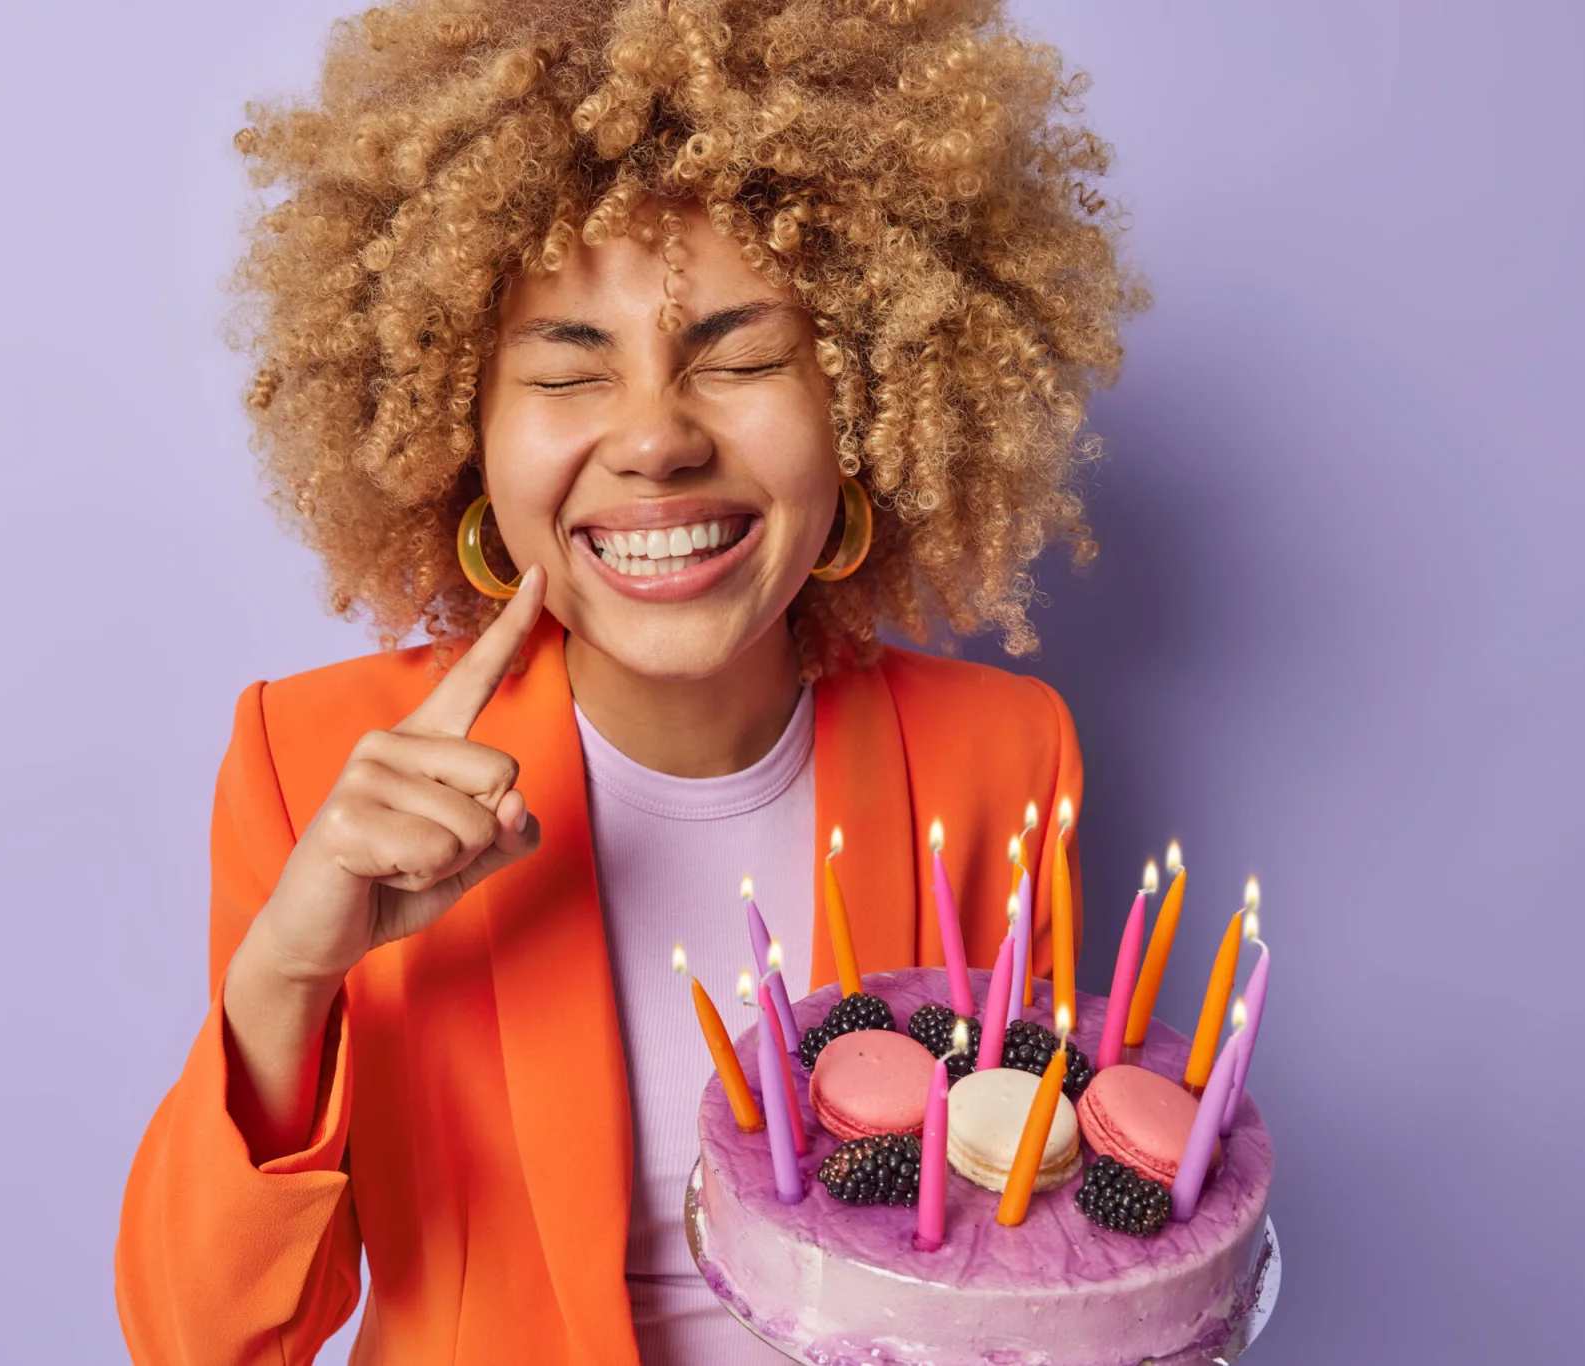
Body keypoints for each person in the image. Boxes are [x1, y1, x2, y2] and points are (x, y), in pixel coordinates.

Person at [117, 0, 1136, 1361]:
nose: (656, 438)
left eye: (743, 355)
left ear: (871, 402)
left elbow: (1038, 1266)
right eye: (567, 370)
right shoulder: (313, 763)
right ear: (457, 430)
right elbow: (202, 1345)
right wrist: (285, 982)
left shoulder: (1005, 758)